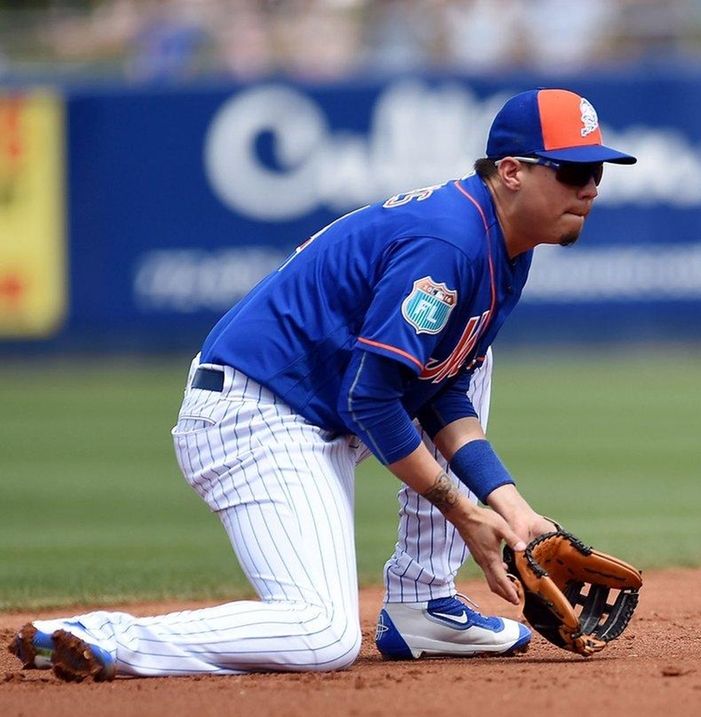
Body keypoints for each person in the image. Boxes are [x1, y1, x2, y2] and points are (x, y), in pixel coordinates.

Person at [8, 88, 636, 681]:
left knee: (463, 361)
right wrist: (462, 509)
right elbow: (370, 396)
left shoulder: (505, 241)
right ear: (512, 171)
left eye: (598, 173)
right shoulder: (447, 243)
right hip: (254, 417)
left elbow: (441, 389)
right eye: (572, 171)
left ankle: (424, 604)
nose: (590, 189)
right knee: (322, 636)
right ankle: (106, 636)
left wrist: (514, 509)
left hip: (316, 409)